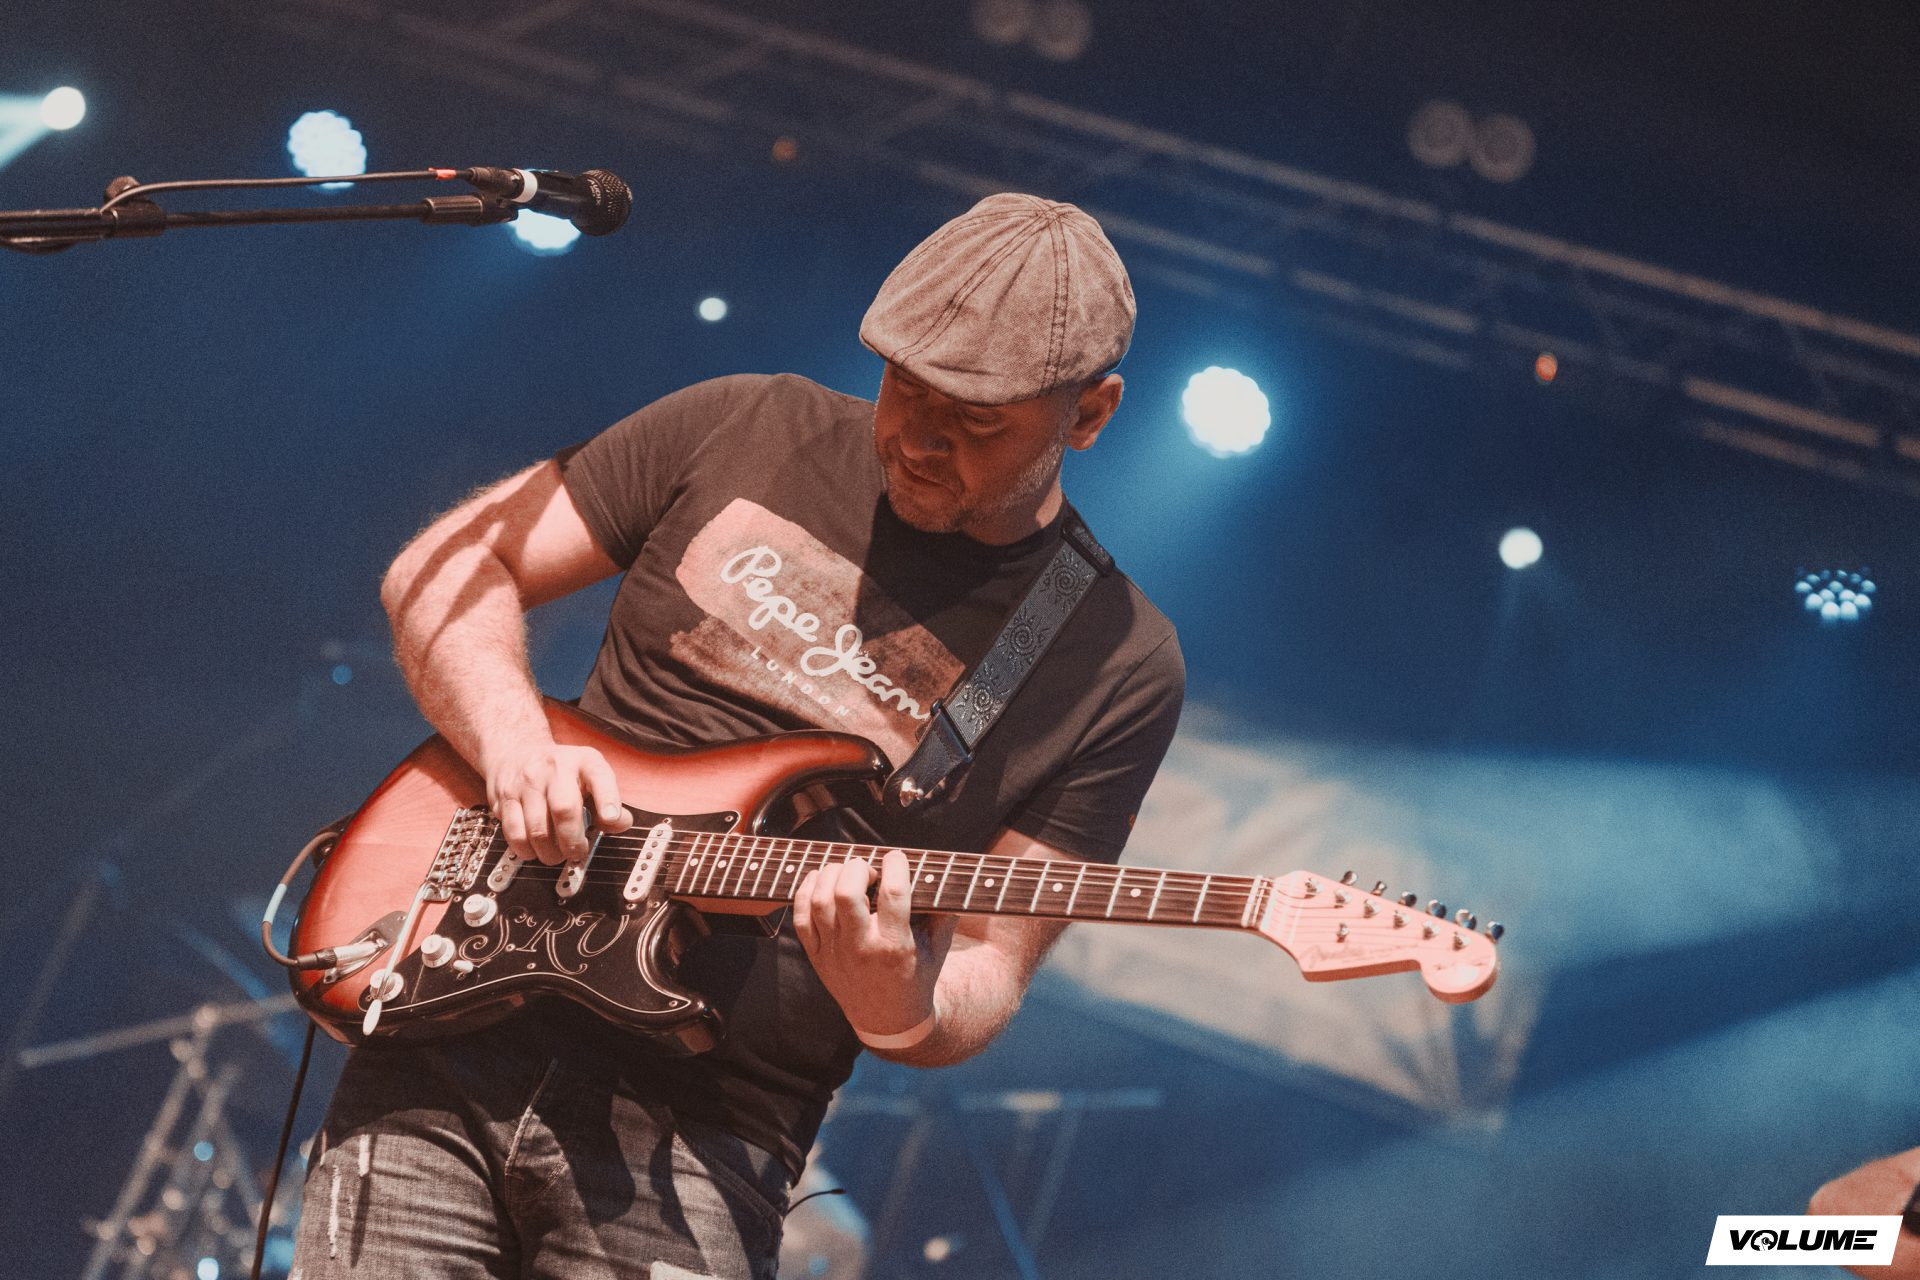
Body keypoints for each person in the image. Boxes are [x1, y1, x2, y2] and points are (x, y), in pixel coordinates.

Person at [288, 192, 1185, 1280]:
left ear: (1090, 414)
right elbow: (447, 568)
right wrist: (514, 740)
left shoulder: (1113, 656)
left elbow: (990, 962)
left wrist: (900, 1000)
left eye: (980, 420)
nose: (918, 437)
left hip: (706, 1142)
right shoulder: (745, 422)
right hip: (452, 1025)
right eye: (907, 386)